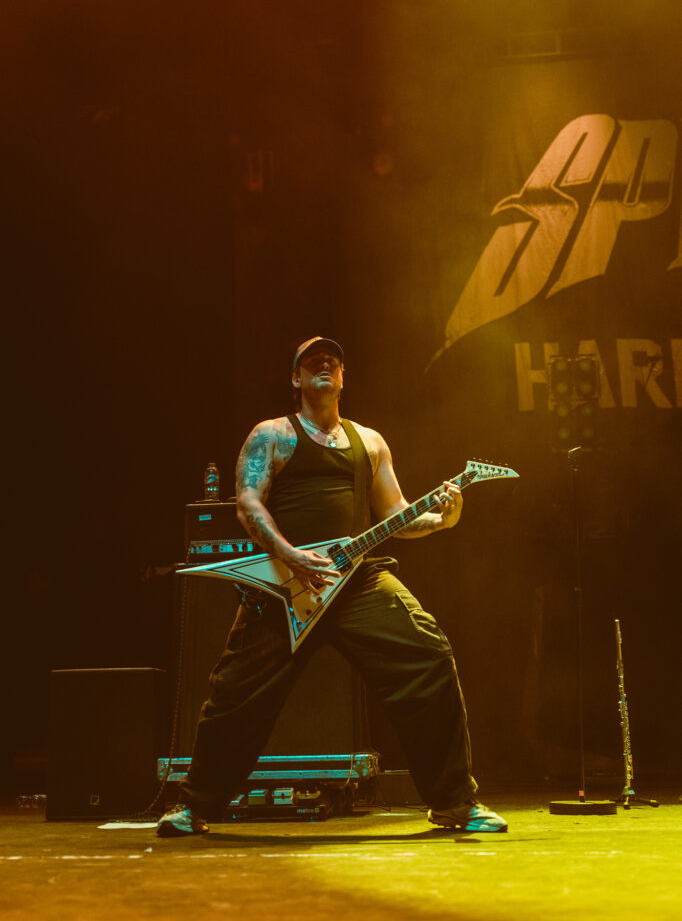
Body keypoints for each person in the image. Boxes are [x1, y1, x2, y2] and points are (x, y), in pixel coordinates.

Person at [157, 336, 507, 836]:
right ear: (296, 378)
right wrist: (290, 555)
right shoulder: (273, 434)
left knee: (429, 656)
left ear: (343, 378)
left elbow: (395, 513)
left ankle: (454, 802)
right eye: (312, 361)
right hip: (285, 584)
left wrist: (442, 520)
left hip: (358, 581)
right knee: (236, 693)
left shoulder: (371, 442)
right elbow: (248, 504)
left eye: (333, 362)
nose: (325, 365)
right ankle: (195, 805)